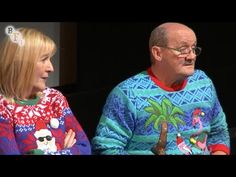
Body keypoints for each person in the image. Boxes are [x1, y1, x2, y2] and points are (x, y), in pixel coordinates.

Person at [92, 22, 230, 155]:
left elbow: (219, 132)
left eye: (194, 49)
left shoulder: (203, 83)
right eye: (183, 50)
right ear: (158, 53)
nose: (192, 56)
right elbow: (106, 148)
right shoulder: (128, 94)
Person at [0, 27, 91, 155]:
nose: (51, 68)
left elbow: (85, 148)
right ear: (21, 64)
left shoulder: (55, 98)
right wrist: (63, 150)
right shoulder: (3, 107)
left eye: (50, 59)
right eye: (43, 59)